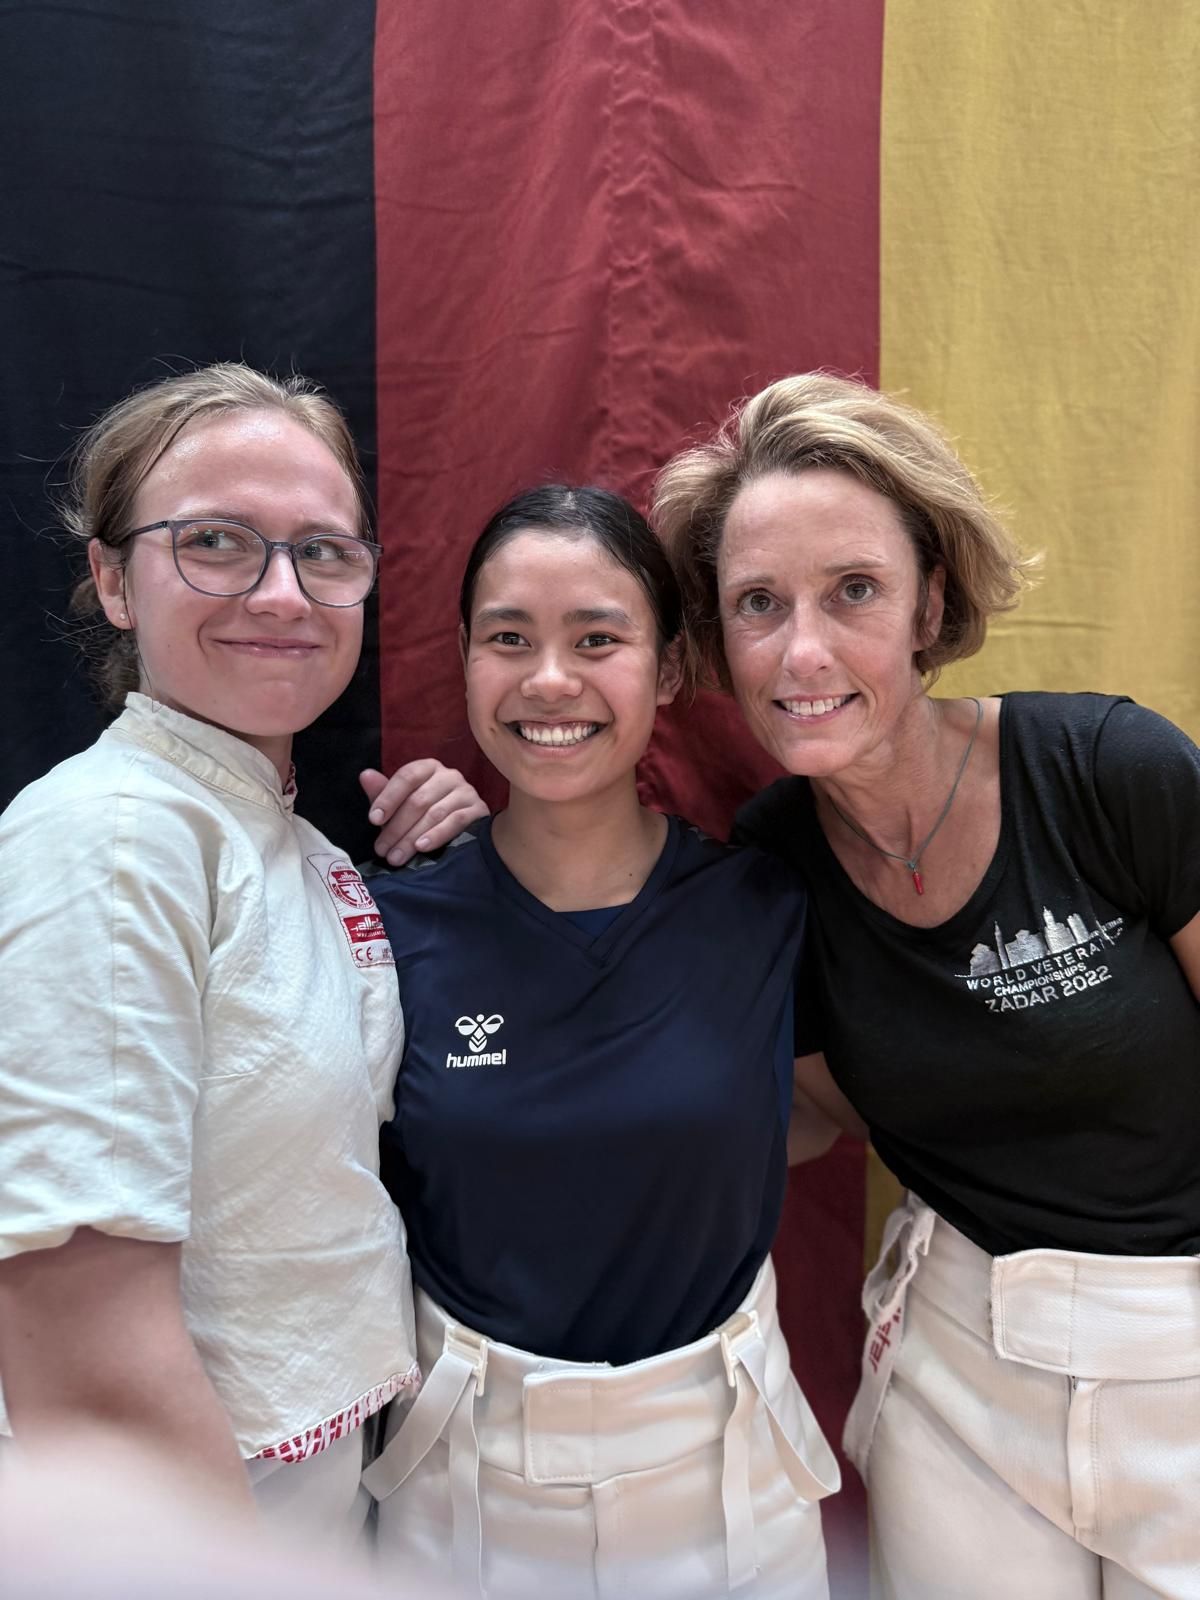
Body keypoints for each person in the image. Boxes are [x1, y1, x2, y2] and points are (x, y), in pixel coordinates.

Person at [652, 371, 1200, 1600]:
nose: (803, 650)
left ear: (929, 602)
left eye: (853, 589)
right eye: (757, 603)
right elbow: (813, 1113)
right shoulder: (773, 863)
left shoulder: (1109, 770)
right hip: (958, 1375)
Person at [0, 363, 484, 1540]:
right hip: (185, 1523)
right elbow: (83, 1351)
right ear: (114, 580)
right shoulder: (112, 838)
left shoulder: (289, 843)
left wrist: (472, 868)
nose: (281, 593)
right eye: (215, 542)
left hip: (314, 1486)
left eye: (323, 551)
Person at [361, 486, 840, 1599]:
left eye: (596, 640)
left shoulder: (764, 905)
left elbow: (817, 1114)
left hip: (733, 1484)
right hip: (463, 1491)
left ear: (667, 669)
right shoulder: (389, 926)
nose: (549, 680)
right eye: (508, 638)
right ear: (464, 658)